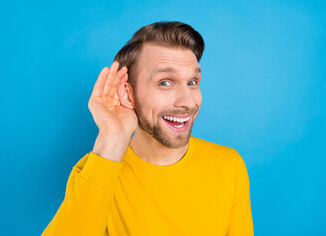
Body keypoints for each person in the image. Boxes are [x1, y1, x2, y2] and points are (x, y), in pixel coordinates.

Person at [42, 21, 254, 236]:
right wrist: (113, 139)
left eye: (192, 82)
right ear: (128, 94)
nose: (188, 102)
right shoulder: (97, 168)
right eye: (165, 82)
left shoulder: (229, 165)